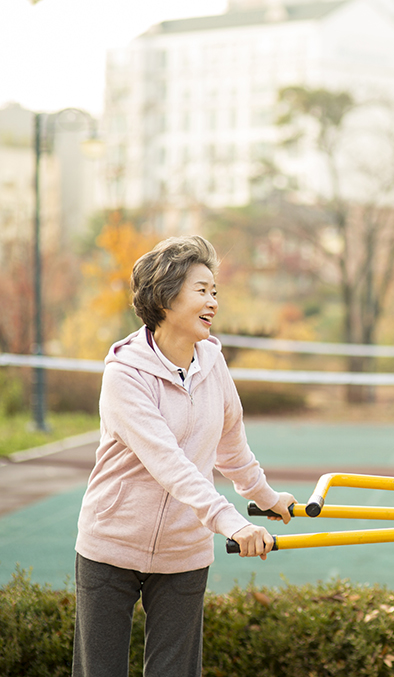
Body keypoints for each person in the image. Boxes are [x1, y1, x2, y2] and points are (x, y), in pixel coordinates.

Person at [73, 235, 297, 677]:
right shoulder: (124, 375)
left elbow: (231, 446)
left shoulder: (214, 365)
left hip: (184, 550)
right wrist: (231, 521)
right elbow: (169, 464)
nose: (213, 301)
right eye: (202, 290)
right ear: (166, 295)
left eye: (215, 291)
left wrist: (266, 497)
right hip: (111, 544)